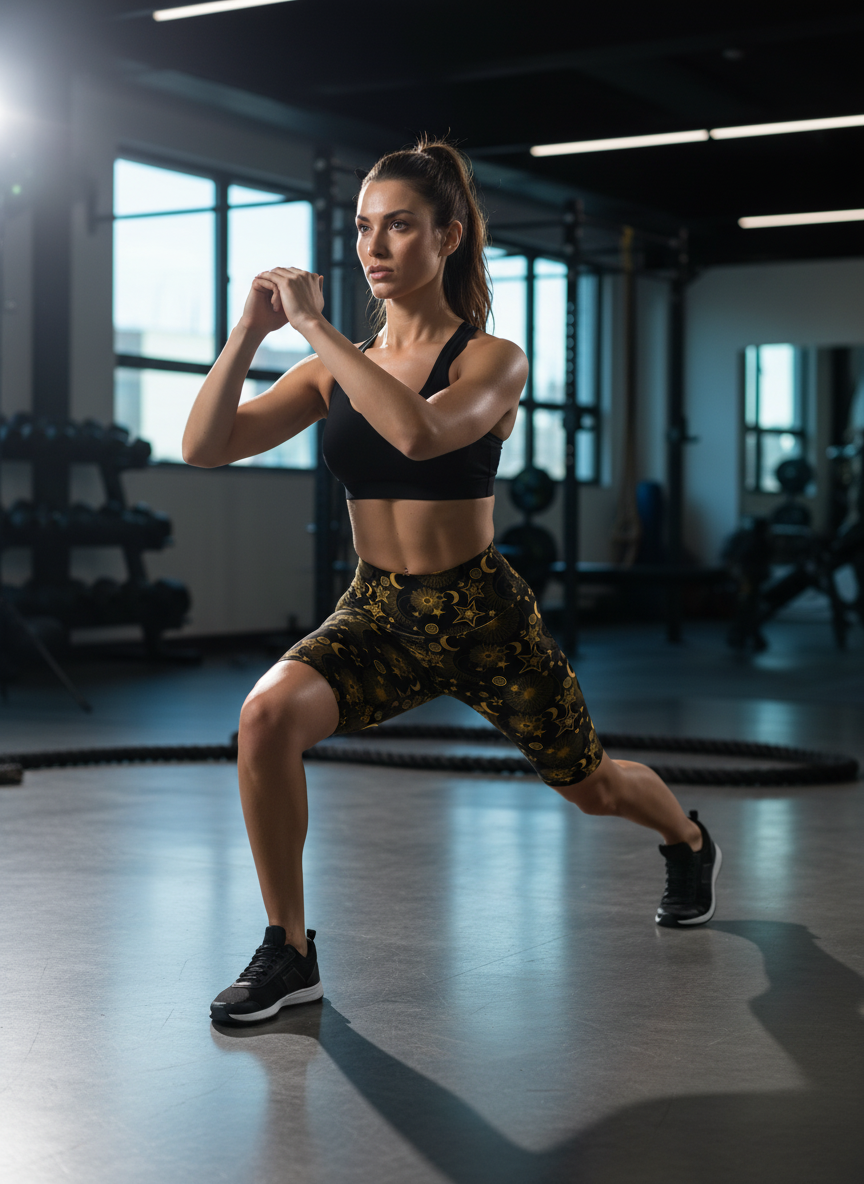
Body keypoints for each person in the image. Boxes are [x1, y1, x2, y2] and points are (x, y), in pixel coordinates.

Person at [183, 138, 721, 1025]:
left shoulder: (491, 361)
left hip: (481, 616)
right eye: (364, 229)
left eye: (399, 227)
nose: (375, 247)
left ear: (450, 237)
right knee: (267, 714)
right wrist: (249, 333)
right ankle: (290, 948)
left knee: (593, 788)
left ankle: (687, 838)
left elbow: (421, 437)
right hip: (377, 611)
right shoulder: (330, 369)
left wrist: (315, 328)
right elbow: (206, 446)